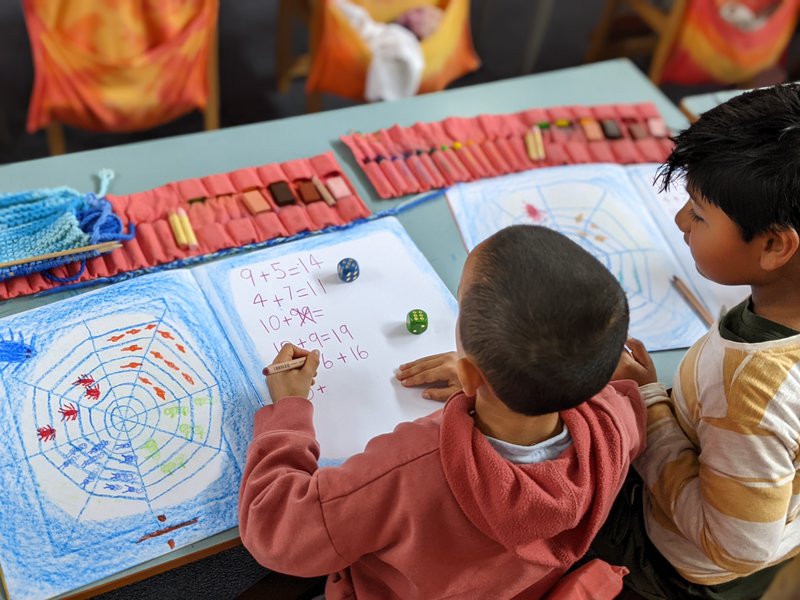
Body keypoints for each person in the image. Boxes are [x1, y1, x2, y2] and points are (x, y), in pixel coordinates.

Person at [238, 225, 645, 599]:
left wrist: (287, 411)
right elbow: (628, 399)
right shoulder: (615, 421)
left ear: (468, 374)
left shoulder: (408, 469)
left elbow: (277, 532)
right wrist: (492, 383)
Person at [590, 83, 800, 600]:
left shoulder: (751, 389)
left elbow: (737, 545)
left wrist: (650, 407)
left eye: (699, 213)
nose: (681, 220)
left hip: (668, 563)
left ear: (775, 245)